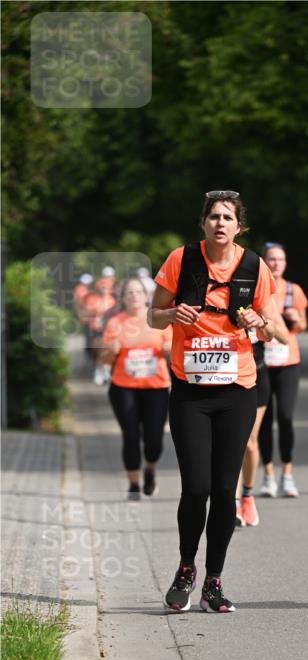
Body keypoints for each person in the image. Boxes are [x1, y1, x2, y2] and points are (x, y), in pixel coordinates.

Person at [149, 190, 282, 613]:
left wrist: (259, 322)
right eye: (213, 217)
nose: (220, 223)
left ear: (239, 226)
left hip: (237, 390)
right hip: (190, 391)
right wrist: (172, 316)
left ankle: (214, 581)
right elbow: (153, 315)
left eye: (228, 217)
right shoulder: (180, 260)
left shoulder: (254, 266)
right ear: (203, 223)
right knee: (197, 488)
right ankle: (186, 568)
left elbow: (274, 329)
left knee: (225, 490)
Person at [100, 277, 172, 500]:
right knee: (130, 435)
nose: (133, 296)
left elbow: (172, 347)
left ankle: (149, 469)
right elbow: (104, 359)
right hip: (124, 388)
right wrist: (111, 351)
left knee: (153, 438)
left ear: (146, 295)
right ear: (122, 298)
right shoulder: (115, 323)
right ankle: (133, 485)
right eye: (128, 292)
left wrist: (168, 347)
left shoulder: (157, 319)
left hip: (156, 387)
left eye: (137, 292)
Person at [257, 243, 308, 499]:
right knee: (265, 421)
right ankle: (267, 475)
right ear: (264, 261)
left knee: (286, 417)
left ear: (285, 263)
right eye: (271, 259)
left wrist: (296, 319)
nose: (276, 263)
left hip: (288, 362)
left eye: (280, 259)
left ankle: (287, 474)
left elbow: (303, 324)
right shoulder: (258, 287)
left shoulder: (294, 290)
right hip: (262, 362)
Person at [235, 315, 291, 526]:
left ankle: (247, 496)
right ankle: (233, 501)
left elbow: (284, 337)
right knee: (231, 443)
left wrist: (262, 322)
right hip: (224, 379)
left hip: (256, 377)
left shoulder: (261, 302)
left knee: (248, 442)